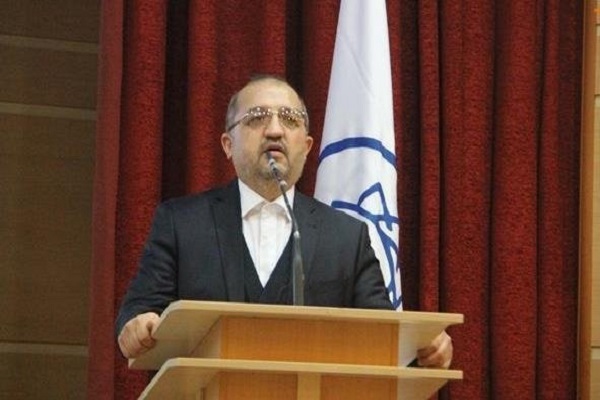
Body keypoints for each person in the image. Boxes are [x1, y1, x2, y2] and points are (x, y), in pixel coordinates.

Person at [116, 74, 453, 368]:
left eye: (290, 119)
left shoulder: (347, 237)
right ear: (228, 144)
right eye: (257, 117)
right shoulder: (181, 223)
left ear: (306, 147)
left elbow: (383, 336)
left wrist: (424, 347)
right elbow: (139, 312)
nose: (275, 130)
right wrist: (137, 326)